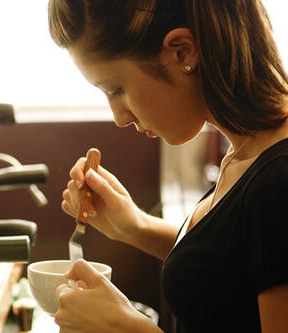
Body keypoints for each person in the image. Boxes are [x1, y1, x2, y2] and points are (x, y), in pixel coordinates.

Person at [48, 0, 288, 332]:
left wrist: (128, 327)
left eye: (117, 89)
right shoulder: (246, 150)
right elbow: (231, 268)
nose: (119, 118)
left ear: (182, 53)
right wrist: (134, 226)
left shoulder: (279, 179)